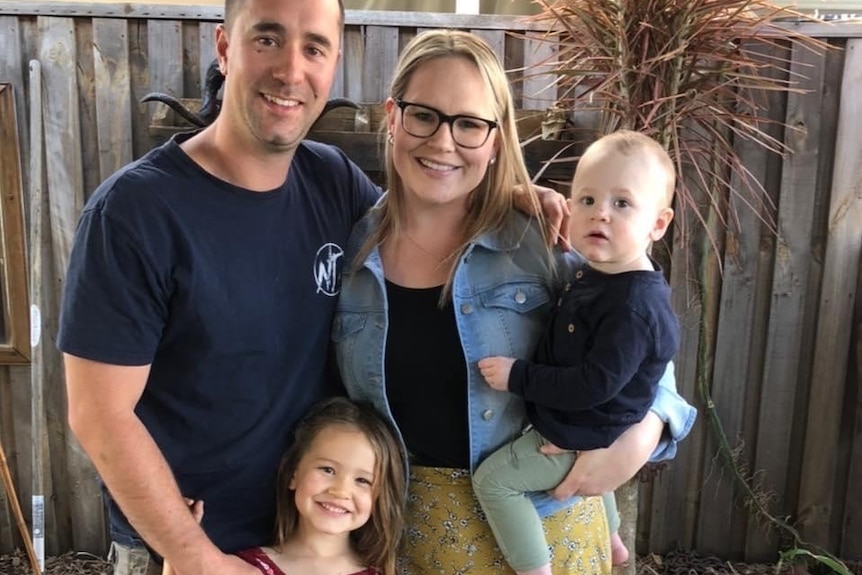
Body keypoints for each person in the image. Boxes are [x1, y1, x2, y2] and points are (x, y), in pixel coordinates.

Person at [57, 1, 566, 574]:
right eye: (268, 40)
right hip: (195, 547)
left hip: (321, 542)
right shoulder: (136, 213)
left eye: (314, 48)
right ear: (225, 48)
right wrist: (196, 557)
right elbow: (99, 415)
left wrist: (514, 201)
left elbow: (427, 206)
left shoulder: (334, 186)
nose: (291, 71)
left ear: (334, 64)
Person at [332, 30, 697, 575]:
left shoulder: (543, 241)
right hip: (408, 543)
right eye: (424, 115)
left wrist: (642, 436)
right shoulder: (347, 254)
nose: (444, 142)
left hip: (548, 536)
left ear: (496, 139)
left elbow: (645, 354)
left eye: (470, 123)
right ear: (393, 117)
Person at [473, 130, 680, 575]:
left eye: (622, 204)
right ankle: (613, 539)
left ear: (658, 224)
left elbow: (592, 385)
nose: (599, 214)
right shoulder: (602, 275)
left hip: (576, 430)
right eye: (586, 200)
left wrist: (518, 376)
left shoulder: (632, 306)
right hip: (596, 426)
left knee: (494, 482)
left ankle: (534, 568)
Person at [163, 397, 407, 575]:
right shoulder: (242, 568)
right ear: (293, 474)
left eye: (362, 480)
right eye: (327, 470)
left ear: (379, 497)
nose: (340, 491)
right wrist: (176, 555)